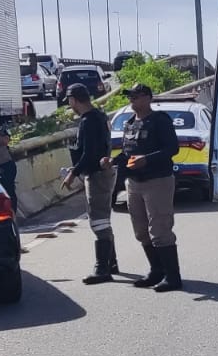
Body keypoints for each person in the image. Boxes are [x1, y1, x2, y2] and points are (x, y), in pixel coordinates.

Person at [120, 83, 183, 292]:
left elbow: (172, 148)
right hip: (134, 183)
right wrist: (109, 162)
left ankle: (173, 277)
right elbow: (127, 153)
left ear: (147, 98)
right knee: (141, 230)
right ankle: (157, 270)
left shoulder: (160, 121)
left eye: (135, 96)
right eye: (130, 96)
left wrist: (147, 160)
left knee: (160, 229)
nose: (132, 100)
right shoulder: (129, 124)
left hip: (157, 181)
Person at [63, 85, 117, 284]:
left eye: (70, 101)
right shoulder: (98, 117)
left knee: (98, 220)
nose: (70, 106)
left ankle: (102, 268)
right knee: (103, 219)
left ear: (75, 100)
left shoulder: (89, 121)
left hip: (96, 174)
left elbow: (90, 153)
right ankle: (111, 261)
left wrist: (73, 173)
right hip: (101, 172)